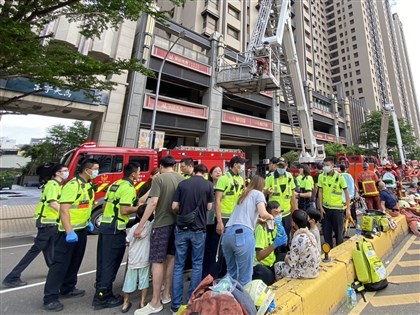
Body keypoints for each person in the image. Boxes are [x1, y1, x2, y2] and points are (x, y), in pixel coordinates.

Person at [43, 158, 99, 312]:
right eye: (95, 168)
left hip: (81, 230)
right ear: (87, 170)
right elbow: (64, 209)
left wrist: (88, 221)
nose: (97, 171)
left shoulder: (87, 185)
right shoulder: (72, 185)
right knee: (60, 264)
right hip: (68, 232)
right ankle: (50, 297)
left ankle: (68, 287)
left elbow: (83, 207)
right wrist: (69, 231)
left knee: (75, 261)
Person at [3, 163, 68, 288]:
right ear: (57, 173)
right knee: (36, 249)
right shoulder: (52, 185)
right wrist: (66, 215)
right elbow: (53, 203)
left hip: (50, 222)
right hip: (47, 222)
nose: (67, 172)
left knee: (49, 248)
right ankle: (13, 276)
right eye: (64, 170)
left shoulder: (58, 185)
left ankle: (54, 271)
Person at [134, 155, 184, 315]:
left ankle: (155, 302)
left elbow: (153, 203)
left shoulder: (160, 179)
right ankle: (166, 294)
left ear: (161, 166)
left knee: (157, 260)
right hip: (177, 225)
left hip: (161, 224)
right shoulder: (182, 178)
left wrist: (140, 225)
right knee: (171, 258)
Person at [93, 162, 142, 310]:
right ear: (133, 174)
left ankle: (101, 291)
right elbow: (125, 210)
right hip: (115, 229)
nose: (139, 174)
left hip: (105, 227)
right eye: (138, 172)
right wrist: (140, 209)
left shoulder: (116, 184)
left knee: (102, 262)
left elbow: (104, 206)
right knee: (110, 264)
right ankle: (102, 297)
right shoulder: (128, 188)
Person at [170, 164, 214, 314]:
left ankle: (175, 305)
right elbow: (209, 208)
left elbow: (174, 206)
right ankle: (191, 301)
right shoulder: (208, 185)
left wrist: (182, 212)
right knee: (197, 265)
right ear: (205, 173)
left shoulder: (183, 184)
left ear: (194, 171)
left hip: (181, 228)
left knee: (178, 266)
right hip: (199, 230)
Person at [221, 175, 280, 286]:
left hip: (227, 234)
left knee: (231, 274)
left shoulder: (243, 195)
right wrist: (273, 218)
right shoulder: (258, 194)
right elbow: (263, 213)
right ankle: (243, 303)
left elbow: (243, 217)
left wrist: (258, 221)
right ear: (261, 186)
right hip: (242, 236)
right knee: (245, 278)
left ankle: (224, 299)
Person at [213, 156, 246, 277]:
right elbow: (217, 200)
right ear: (235, 164)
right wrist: (219, 221)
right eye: (241, 164)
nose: (242, 167)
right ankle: (217, 277)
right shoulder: (224, 179)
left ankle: (228, 275)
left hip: (236, 219)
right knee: (220, 251)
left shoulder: (240, 179)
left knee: (233, 249)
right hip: (225, 218)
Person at [121, 209, 154, 313]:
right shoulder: (150, 225)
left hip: (133, 259)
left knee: (129, 281)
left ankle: (125, 303)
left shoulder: (134, 227)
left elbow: (127, 241)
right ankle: (142, 302)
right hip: (144, 258)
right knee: (144, 281)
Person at [274, 210, 320, 280]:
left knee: (277, 265)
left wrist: (286, 258)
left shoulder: (297, 239)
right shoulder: (310, 234)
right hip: (314, 270)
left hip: (305, 274)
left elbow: (292, 262)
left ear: (294, 223)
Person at [318, 157, 351, 248]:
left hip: (337, 210)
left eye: (327, 165)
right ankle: (328, 254)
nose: (325, 167)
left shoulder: (340, 177)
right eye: (324, 165)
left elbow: (346, 193)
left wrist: (348, 209)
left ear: (332, 165)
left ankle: (338, 252)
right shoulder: (321, 176)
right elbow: (320, 192)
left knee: (339, 234)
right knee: (326, 234)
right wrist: (320, 207)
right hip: (326, 209)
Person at [264, 157, 297, 245]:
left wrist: (294, 212)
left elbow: (293, 196)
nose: (281, 168)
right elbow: (263, 193)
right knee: (274, 237)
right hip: (274, 215)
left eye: (283, 166)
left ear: (286, 166)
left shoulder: (289, 177)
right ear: (276, 166)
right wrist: (266, 191)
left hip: (286, 213)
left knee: (286, 237)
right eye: (279, 166)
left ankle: (284, 254)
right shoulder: (270, 177)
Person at [252, 201, 285, 286]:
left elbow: (283, 244)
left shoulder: (276, 226)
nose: (279, 215)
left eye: (280, 212)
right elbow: (259, 256)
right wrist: (274, 244)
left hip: (271, 261)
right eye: (276, 213)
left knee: (286, 257)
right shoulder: (261, 228)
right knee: (268, 276)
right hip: (260, 264)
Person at [202, 165, 223, 278]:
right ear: (210, 174)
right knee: (207, 246)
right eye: (216, 171)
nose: (218, 172)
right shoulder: (208, 186)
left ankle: (214, 271)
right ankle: (205, 272)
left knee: (216, 247)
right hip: (207, 219)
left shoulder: (224, 185)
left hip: (218, 219)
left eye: (220, 171)